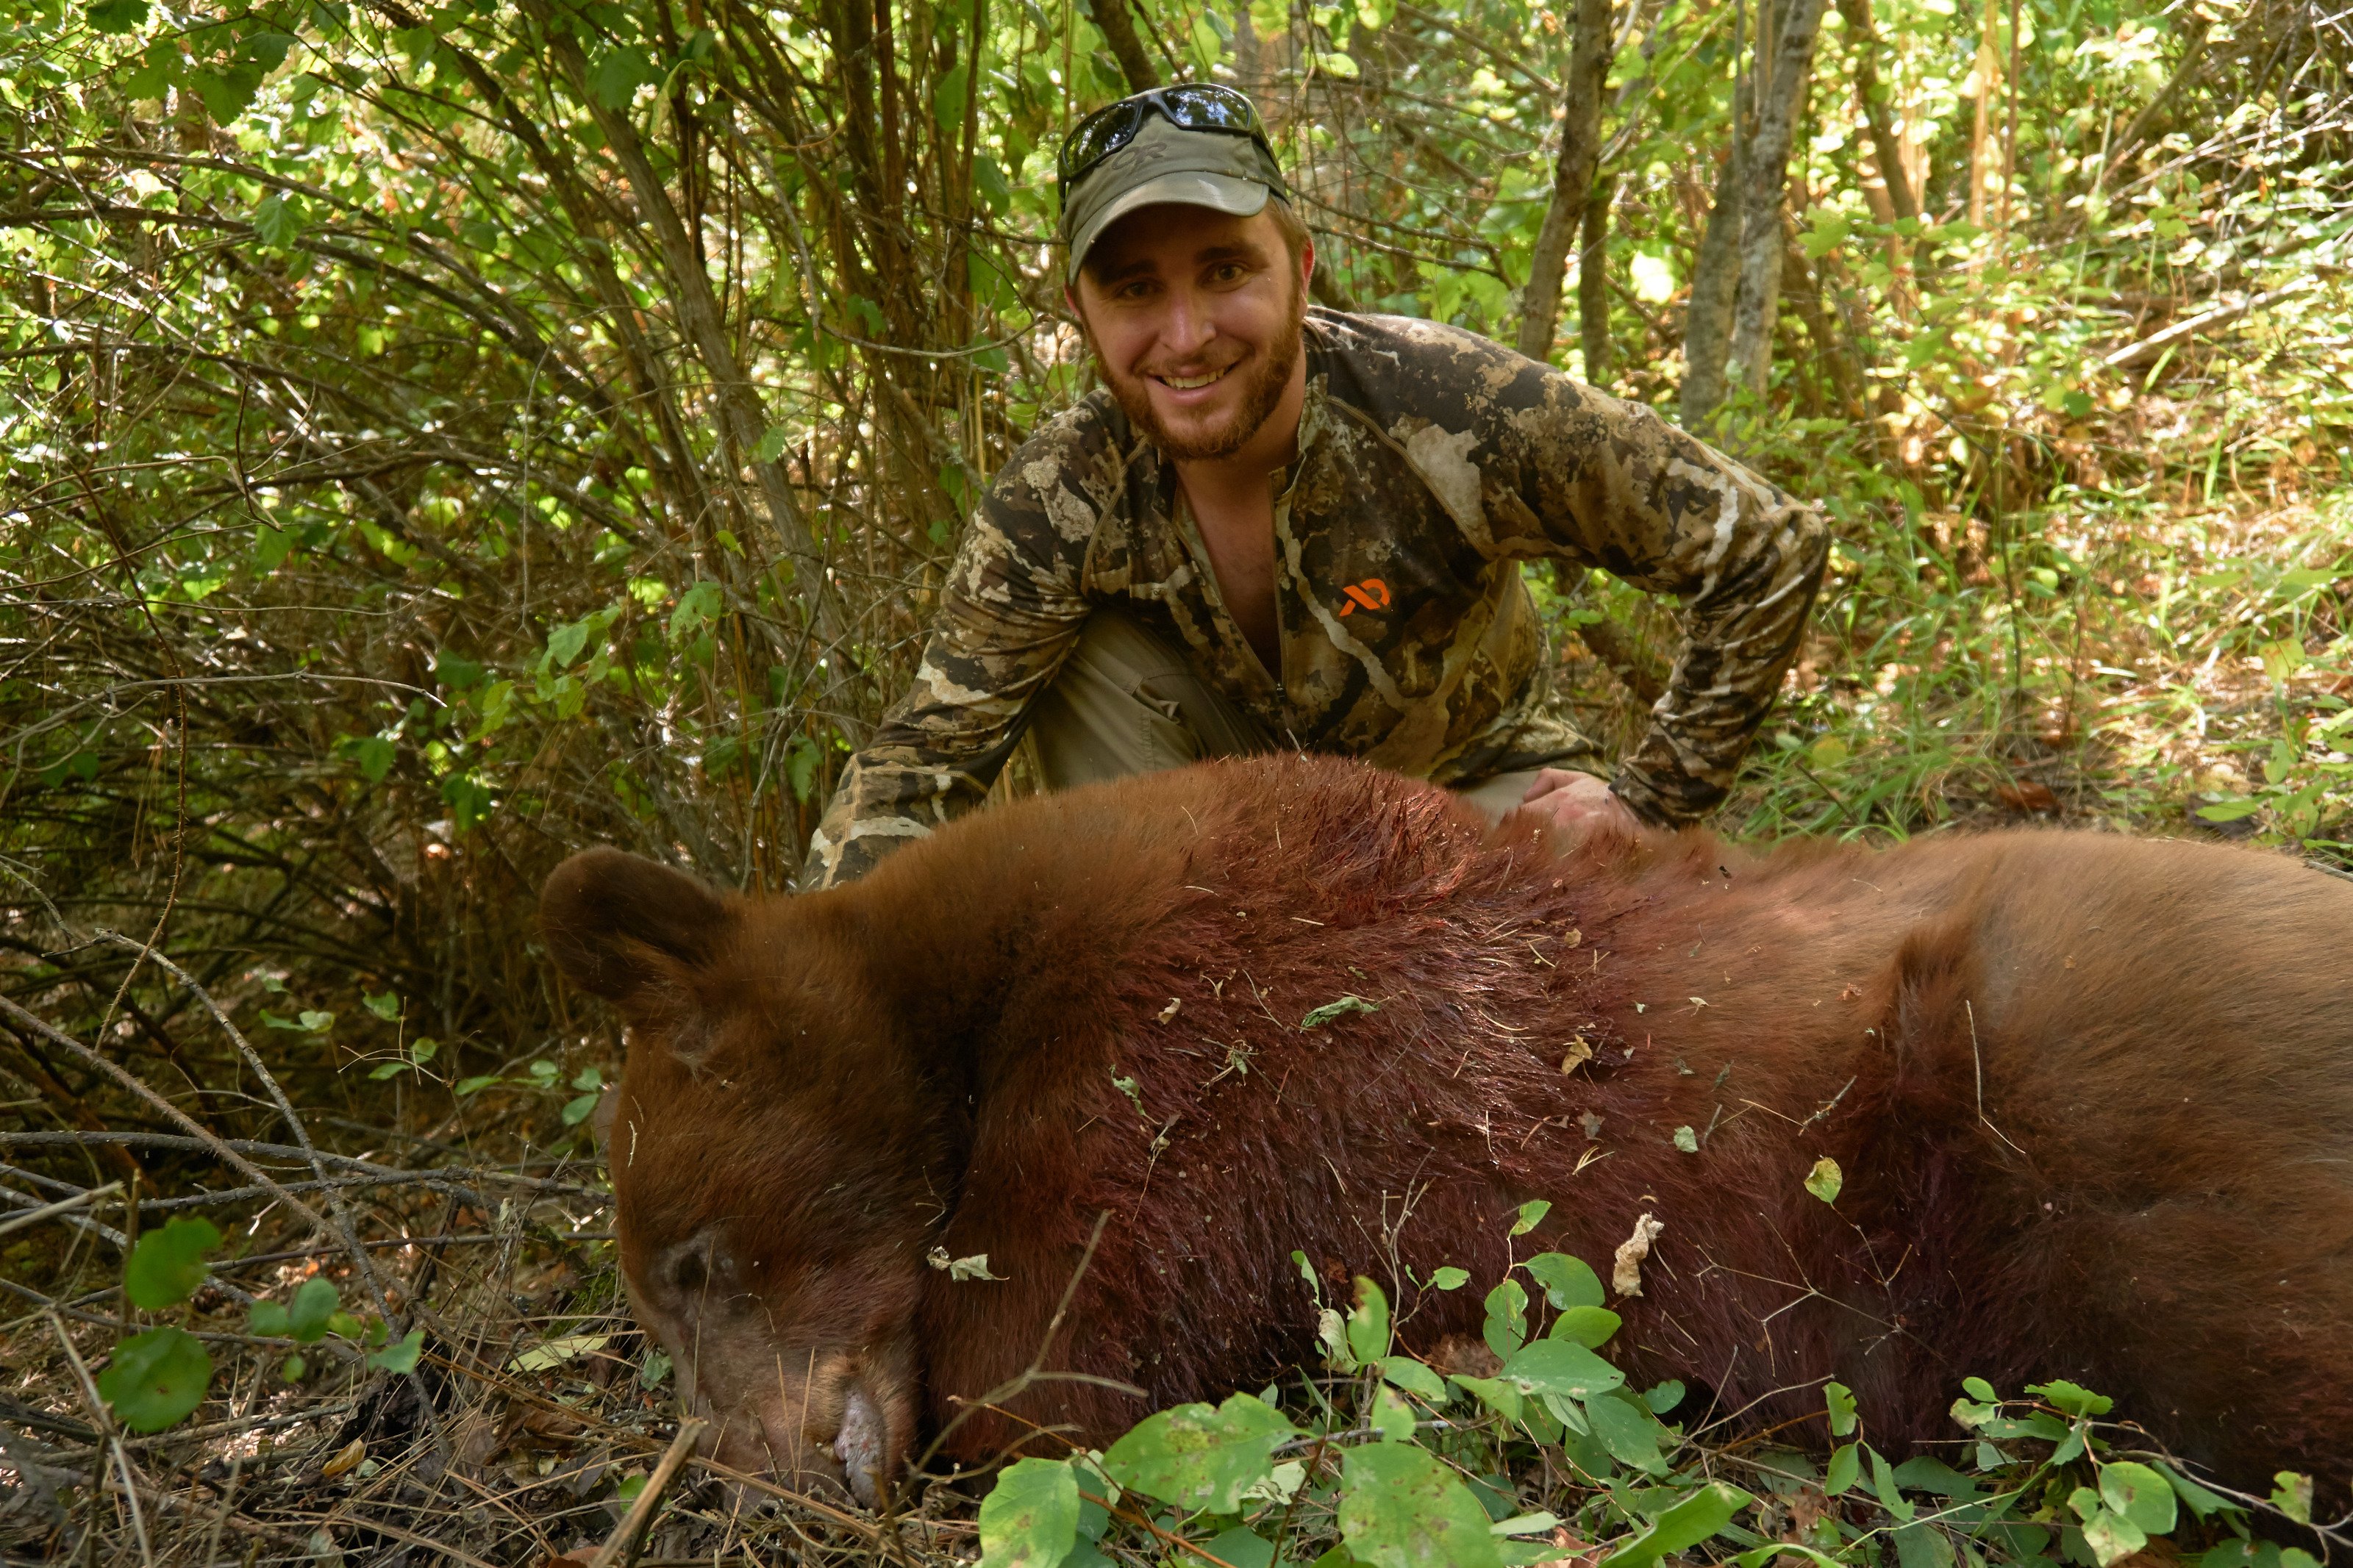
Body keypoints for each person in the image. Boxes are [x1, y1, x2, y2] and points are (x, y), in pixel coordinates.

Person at [805, 84, 1828, 888]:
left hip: (1468, 802)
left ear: (1299, 266)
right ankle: (1168, 1006)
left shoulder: (1452, 405)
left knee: (1675, 964)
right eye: (1134, 289)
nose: (1187, 334)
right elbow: (921, 764)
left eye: (1223, 271)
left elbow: (1767, 548)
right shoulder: (1060, 496)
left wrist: (1647, 806)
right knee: (1079, 661)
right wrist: (807, 990)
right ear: (1082, 311)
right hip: (1212, 855)